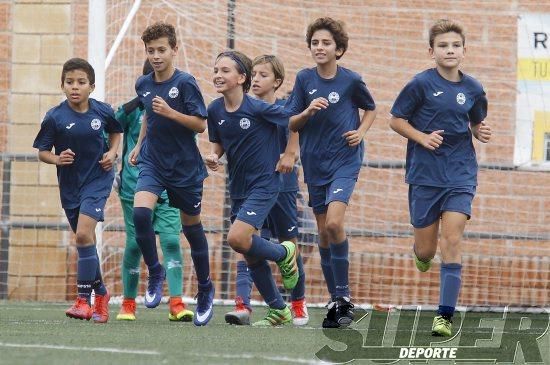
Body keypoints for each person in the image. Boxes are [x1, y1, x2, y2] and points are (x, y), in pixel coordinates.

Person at [389, 19, 491, 337]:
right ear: (432, 51)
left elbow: (475, 122)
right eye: (443, 46)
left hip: (460, 174)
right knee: (426, 250)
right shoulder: (420, 84)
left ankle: (444, 316)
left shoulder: (473, 88)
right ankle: (421, 254)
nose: (450, 50)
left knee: (453, 240)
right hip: (425, 175)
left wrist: (479, 130)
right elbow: (396, 120)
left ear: (464, 50)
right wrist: (422, 137)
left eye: (455, 45)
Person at [286, 17, 377, 328]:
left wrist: (361, 131)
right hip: (315, 164)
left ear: (339, 49)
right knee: (324, 233)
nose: (319, 47)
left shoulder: (351, 81)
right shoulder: (303, 79)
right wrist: (308, 111)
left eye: (326, 43)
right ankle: (336, 299)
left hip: (345, 161)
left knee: (335, 223)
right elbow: (291, 122)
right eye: (315, 42)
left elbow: (371, 109)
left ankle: (345, 296)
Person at [128, 22, 214, 326]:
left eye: (161, 49)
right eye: (150, 50)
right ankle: (155, 270)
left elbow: (200, 124)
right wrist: (138, 146)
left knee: (192, 230)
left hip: (184, 168)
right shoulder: (143, 84)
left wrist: (171, 112)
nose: (155, 55)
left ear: (174, 49)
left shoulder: (186, 83)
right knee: (140, 214)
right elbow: (148, 118)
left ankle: (205, 288)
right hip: (153, 162)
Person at [205, 50, 299, 326]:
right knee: (248, 249)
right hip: (238, 187)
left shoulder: (257, 108)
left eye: (225, 71)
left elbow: (293, 122)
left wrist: (290, 153)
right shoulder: (214, 109)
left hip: (265, 183)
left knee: (236, 238)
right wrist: (214, 155)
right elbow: (220, 142)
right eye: (216, 70)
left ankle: (284, 252)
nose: (218, 76)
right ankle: (279, 309)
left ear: (240, 78)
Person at [33, 58, 122, 323]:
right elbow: (42, 152)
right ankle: (102, 294)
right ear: (62, 86)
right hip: (70, 185)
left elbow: (117, 132)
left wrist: (113, 152)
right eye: (70, 82)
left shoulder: (103, 112)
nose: (75, 87)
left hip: (98, 179)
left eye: (81, 82)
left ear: (91, 87)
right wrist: (58, 159)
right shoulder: (55, 117)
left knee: (83, 233)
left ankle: (84, 301)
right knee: (86, 241)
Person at [115, 59, 192, 322]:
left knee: (171, 240)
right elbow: (109, 133)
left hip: (170, 186)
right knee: (135, 243)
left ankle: (177, 303)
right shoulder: (128, 111)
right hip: (134, 187)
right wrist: (112, 154)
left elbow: (189, 137)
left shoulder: (177, 109)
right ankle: (127, 304)